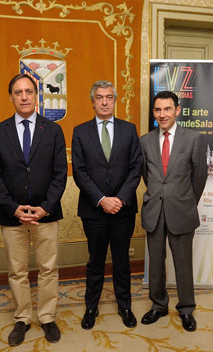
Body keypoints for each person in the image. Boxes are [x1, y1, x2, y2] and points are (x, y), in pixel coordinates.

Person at [0, 74, 67, 346]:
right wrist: (13, 208)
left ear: (36, 96)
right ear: (11, 97)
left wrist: (45, 208)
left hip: (47, 214)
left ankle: (46, 317)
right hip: (12, 216)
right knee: (17, 271)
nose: (24, 97)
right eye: (18, 92)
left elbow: (60, 174)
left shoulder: (53, 130)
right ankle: (22, 317)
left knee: (48, 268)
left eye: (29, 92)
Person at [71, 80, 143, 330]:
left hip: (124, 209)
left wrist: (120, 199)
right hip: (94, 210)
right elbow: (79, 171)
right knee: (95, 260)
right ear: (92, 101)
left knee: (122, 260)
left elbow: (136, 168)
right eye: (99, 97)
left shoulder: (129, 129)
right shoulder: (80, 132)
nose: (104, 102)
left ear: (115, 100)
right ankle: (91, 307)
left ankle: (125, 306)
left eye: (109, 97)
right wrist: (102, 200)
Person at [139, 90, 207, 332]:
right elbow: (148, 177)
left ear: (177, 110)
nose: (162, 114)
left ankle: (186, 308)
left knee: (183, 263)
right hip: (154, 210)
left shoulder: (193, 139)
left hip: (182, 210)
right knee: (156, 263)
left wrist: (186, 200)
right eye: (158, 110)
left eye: (167, 109)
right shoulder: (145, 141)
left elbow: (199, 177)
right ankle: (158, 305)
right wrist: (161, 195)